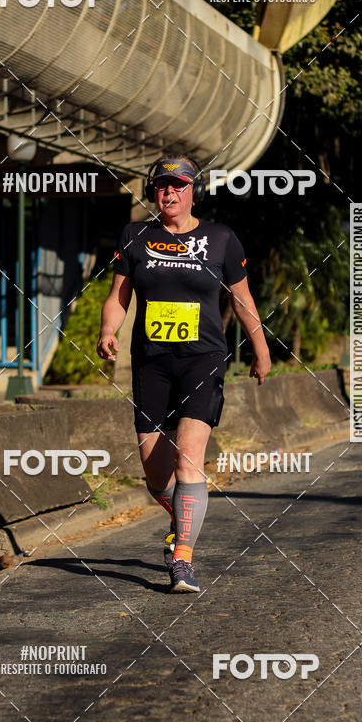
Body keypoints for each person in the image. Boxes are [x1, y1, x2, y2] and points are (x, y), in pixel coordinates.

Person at [96, 155, 271, 592]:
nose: (168, 193)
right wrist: (107, 330)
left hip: (203, 359)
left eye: (177, 185)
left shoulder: (221, 239)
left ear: (194, 190)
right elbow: (119, 297)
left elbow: (242, 299)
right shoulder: (136, 236)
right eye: (160, 186)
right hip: (152, 362)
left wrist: (261, 349)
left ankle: (183, 559)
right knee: (157, 475)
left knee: (188, 456)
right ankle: (183, 520)